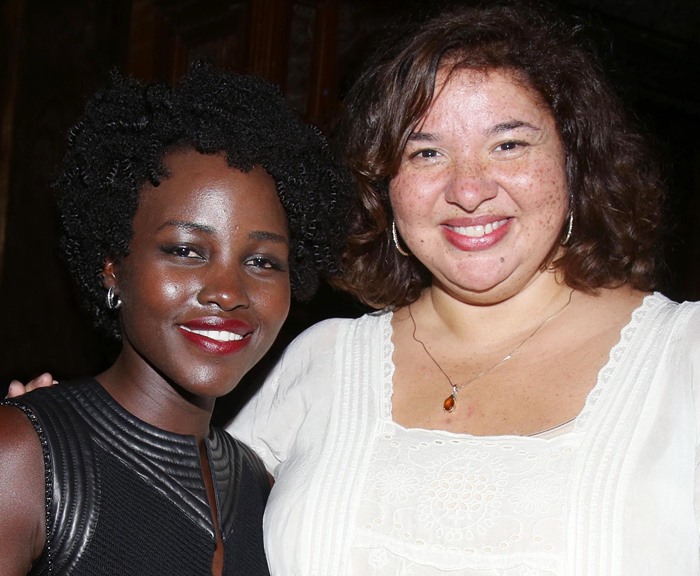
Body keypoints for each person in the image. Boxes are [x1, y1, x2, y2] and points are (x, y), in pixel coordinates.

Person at [10, 3, 700, 576]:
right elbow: (170, 501)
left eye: (509, 144)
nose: (468, 188)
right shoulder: (320, 363)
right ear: (384, 184)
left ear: (576, 164)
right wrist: (64, 449)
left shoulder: (684, 360)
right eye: (426, 151)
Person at [0, 62, 350, 575]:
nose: (229, 293)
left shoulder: (263, 492)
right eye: (187, 251)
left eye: (262, 261)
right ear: (113, 268)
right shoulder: (28, 459)